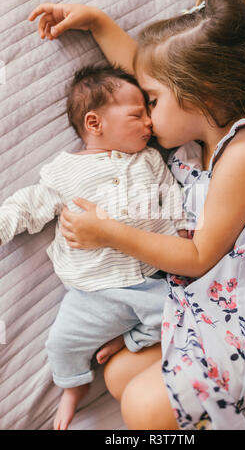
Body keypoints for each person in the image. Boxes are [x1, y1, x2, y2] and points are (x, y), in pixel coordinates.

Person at [28, 0, 245, 430]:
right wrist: (98, 22)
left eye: (151, 101)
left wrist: (107, 232)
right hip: (223, 304)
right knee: (118, 376)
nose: (146, 117)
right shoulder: (194, 148)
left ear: (201, 92)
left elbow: (195, 258)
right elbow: (142, 69)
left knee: (142, 406)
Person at [0, 63, 188, 430]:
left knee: (177, 316)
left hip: (153, 278)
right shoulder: (64, 170)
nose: (149, 123)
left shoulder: (150, 159)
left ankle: (129, 340)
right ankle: (73, 386)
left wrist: (182, 230)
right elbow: (28, 204)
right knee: (60, 343)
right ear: (94, 123)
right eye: (138, 114)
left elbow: (173, 197)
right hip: (93, 291)